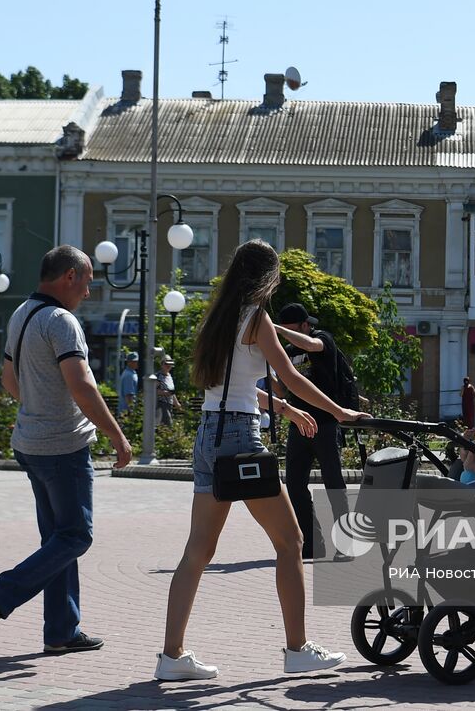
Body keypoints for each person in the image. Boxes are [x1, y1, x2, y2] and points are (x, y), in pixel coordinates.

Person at [156, 239, 368, 681]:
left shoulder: (217, 318)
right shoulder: (256, 316)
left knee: (197, 550)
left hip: (209, 435)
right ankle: (297, 649)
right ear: (267, 277)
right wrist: (339, 411)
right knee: (291, 543)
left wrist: (287, 411)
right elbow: (290, 376)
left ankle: (171, 657)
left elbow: (233, 387)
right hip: (238, 438)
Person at [0, 246, 134, 656]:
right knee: (76, 536)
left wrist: (35, 407)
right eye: (88, 283)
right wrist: (117, 435)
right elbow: (82, 385)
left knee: (57, 541)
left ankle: (62, 631)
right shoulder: (61, 320)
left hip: (30, 442)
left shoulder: (21, 312)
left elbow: (8, 377)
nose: (88, 293)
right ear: (69, 277)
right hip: (64, 446)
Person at [271, 302, 366, 561]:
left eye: (291, 330)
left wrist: (275, 329)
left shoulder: (322, 338)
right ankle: (314, 544)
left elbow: (310, 346)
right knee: (295, 485)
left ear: (304, 326)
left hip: (325, 423)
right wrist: (266, 366)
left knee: (334, 484)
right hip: (299, 423)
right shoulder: (288, 351)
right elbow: (281, 390)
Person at [157, 355, 179, 426]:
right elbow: (153, 391)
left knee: (166, 427)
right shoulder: (158, 376)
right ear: (162, 364)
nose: (168, 366)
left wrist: (177, 404)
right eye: (166, 364)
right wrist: (166, 393)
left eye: (170, 364)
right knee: (168, 425)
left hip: (169, 405)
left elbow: (172, 392)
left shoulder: (169, 376)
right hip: (161, 405)